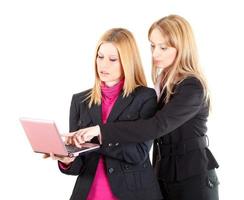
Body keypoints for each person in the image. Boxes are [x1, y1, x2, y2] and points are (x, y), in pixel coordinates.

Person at [68, 15, 219, 200]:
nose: (155, 53)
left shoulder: (192, 86)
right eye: (152, 46)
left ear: (182, 48)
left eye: (163, 47)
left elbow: (157, 126)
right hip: (163, 174)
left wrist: (100, 131)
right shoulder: (161, 83)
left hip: (192, 176)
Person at [46, 28, 162, 200]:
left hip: (133, 193)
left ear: (128, 62)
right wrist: (67, 159)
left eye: (112, 59)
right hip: (89, 193)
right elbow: (79, 165)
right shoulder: (80, 101)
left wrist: (98, 137)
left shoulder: (144, 97)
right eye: (100, 57)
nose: (103, 65)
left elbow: (138, 154)